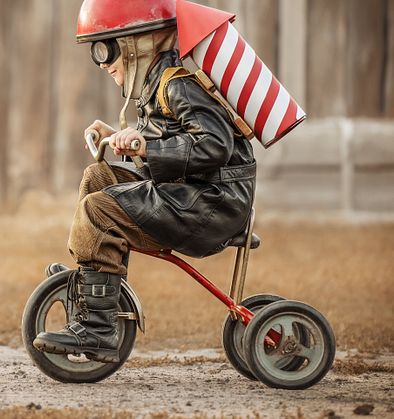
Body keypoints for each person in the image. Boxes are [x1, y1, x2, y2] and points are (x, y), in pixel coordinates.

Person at [33, 0, 256, 363]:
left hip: (210, 206)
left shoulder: (178, 86)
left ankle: (100, 330)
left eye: (107, 48)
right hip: (192, 195)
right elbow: (166, 136)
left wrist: (145, 146)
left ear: (139, 45)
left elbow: (215, 145)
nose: (103, 62)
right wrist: (123, 136)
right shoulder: (159, 86)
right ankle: (94, 282)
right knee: (97, 178)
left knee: (99, 209)